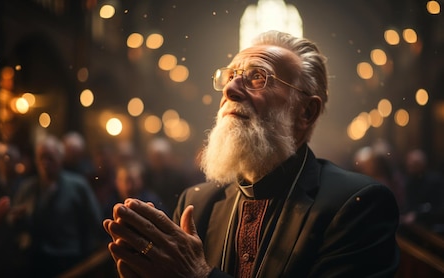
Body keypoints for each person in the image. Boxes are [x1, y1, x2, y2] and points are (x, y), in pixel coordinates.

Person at [103, 30, 400, 277]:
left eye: (258, 76)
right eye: (230, 75)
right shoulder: (196, 203)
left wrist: (198, 275)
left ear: (306, 111)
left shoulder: (358, 205)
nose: (230, 89)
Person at [10, 135, 106, 277]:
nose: (45, 163)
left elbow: (95, 221)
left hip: (69, 258)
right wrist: (16, 218)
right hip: (36, 259)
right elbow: (12, 222)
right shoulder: (28, 188)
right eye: (41, 158)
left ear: (60, 159)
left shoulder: (78, 186)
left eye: (50, 158)